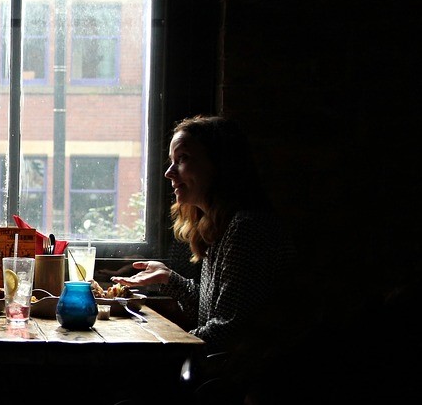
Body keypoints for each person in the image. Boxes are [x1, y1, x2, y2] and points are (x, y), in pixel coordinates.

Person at [111, 114, 296, 361]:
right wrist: (169, 278)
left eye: (183, 159)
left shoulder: (248, 229)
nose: (168, 172)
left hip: (237, 381)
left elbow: (229, 329)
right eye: (171, 161)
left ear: (219, 165)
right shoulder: (219, 227)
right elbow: (213, 310)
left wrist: (164, 351)